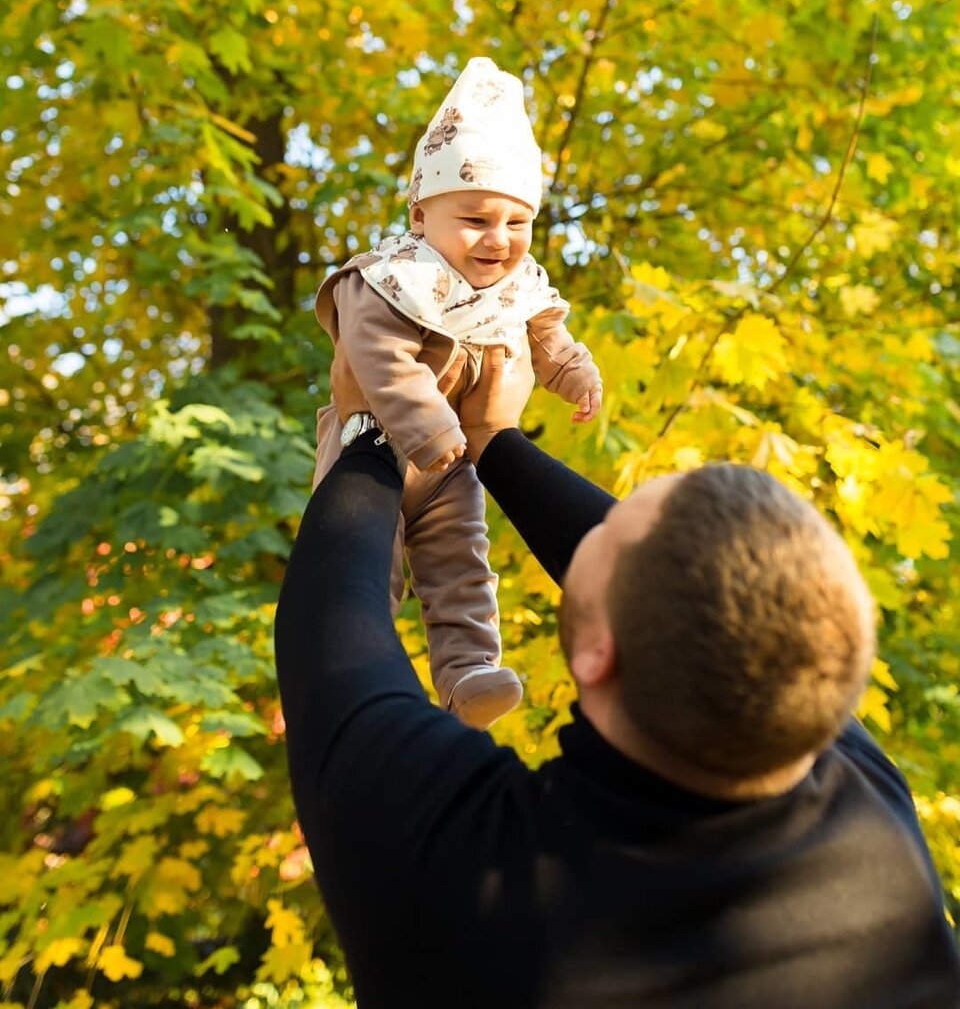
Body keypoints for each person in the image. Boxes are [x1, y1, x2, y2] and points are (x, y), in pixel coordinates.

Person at [274, 345, 960, 1009]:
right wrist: (492, 440)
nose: (594, 528)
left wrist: (372, 428)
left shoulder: (469, 878)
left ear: (598, 651)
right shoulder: (875, 841)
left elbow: (328, 620)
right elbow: (694, 592)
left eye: (608, 532)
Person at [310, 56, 601, 729]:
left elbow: (548, 337)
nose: (498, 239)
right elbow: (381, 361)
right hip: (376, 447)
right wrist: (432, 431)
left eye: (516, 222)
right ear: (420, 216)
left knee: (461, 563)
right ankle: (353, 672)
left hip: (454, 463)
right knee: (366, 563)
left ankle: (469, 673)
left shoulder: (519, 288)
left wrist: (574, 372)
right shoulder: (386, 280)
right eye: (475, 219)